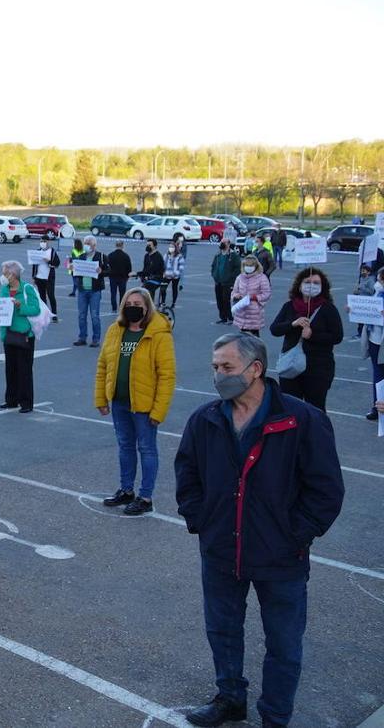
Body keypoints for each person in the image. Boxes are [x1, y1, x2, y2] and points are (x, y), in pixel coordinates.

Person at [175, 332, 344, 728]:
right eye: (215, 367)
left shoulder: (301, 420)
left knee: (283, 644)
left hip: (280, 556)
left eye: (227, 367)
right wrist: (201, 520)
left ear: (256, 369)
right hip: (220, 550)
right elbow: (188, 475)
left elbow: (326, 490)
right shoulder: (205, 419)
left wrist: (295, 535)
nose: (219, 376)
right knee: (222, 630)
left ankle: (275, 716)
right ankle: (230, 697)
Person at [94, 288, 176, 516]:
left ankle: (145, 496)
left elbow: (167, 375)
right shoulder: (115, 330)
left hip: (144, 405)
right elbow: (103, 366)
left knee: (147, 449)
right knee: (125, 447)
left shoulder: (158, 333)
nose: (132, 306)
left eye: (137, 303)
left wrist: (158, 411)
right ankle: (126, 490)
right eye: (128, 302)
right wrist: (101, 397)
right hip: (119, 402)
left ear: (147, 306)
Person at [269, 267, 343, 413]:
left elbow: (337, 336)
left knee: (315, 409)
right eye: (308, 282)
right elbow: (274, 329)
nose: (312, 285)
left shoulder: (328, 308)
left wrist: (312, 335)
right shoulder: (289, 306)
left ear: (322, 287)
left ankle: (316, 436)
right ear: (299, 285)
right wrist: (292, 324)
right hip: (291, 365)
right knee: (290, 408)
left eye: (316, 283)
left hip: (318, 368)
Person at [0, 260, 41, 413]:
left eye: (5, 273)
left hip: (24, 335)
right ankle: (11, 399)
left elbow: (35, 309)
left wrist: (20, 306)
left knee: (24, 369)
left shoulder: (27, 288)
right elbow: (0, 307)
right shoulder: (4, 289)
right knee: (10, 369)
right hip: (9, 333)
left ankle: (26, 402)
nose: (3, 276)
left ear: (13, 274)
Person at [352, 268, 384, 420]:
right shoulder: (378, 293)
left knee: (379, 374)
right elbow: (368, 309)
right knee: (377, 375)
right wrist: (354, 310)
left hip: (380, 340)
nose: (377, 283)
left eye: (380, 279)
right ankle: (377, 406)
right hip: (375, 339)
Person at [73, 235, 109, 347]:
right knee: (81, 315)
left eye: (89, 243)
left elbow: (109, 270)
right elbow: (76, 271)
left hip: (95, 290)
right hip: (83, 290)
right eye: (86, 243)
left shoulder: (101, 256)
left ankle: (96, 339)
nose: (87, 245)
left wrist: (101, 271)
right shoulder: (81, 256)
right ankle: (82, 337)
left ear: (94, 245)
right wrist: (72, 268)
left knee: (94, 315)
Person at [230, 254, 271, 337]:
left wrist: (255, 297)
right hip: (242, 311)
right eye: (246, 265)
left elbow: (266, 293)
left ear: (255, 266)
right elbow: (234, 292)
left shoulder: (262, 278)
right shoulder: (240, 277)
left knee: (254, 338)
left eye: (251, 265)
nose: (248, 267)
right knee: (243, 337)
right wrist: (236, 296)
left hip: (254, 313)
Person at [206, 240, 239, 325]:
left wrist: (231, 278)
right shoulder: (218, 255)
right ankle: (223, 317)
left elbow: (238, 268)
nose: (222, 244)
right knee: (219, 300)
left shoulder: (233, 255)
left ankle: (230, 317)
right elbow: (213, 266)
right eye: (221, 242)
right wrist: (214, 275)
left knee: (226, 300)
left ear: (228, 244)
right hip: (218, 281)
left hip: (227, 282)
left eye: (224, 243)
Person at [30, 237, 60, 320]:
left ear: (48, 242)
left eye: (44, 241)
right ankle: (45, 315)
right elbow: (34, 265)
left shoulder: (52, 252)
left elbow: (57, 263)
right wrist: (34, 277)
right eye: (41, 241)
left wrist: (49, 261)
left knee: (51, 296)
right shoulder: (38, 251)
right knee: (42, 297)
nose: (42, 243)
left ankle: (54, 315)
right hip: (39, 277)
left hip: (48, 278)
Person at [105, 240, 132, 312]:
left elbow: (107, 267)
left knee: (113, 293)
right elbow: (129, 268)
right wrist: (127, 276)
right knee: (122, 294)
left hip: (113, 277)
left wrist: (109, 274)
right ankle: (121, 307)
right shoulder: (126, 256)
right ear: (122, 246)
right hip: (123, 277)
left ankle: (114, 308)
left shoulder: (110, 255)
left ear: (115, 245)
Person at [163, 240, 186, 308]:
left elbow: (181, 267)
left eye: (172, 247)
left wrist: (176, 274)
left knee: (174, 289)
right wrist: (163, 272)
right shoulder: (166, 255)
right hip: (167, 275)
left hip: (175, 276)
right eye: (170, 247)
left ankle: (173, 302)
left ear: (175, 248)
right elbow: (163, 264)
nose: (171, 248)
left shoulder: (179, 256)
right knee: (163, 288)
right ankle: (163, 302)